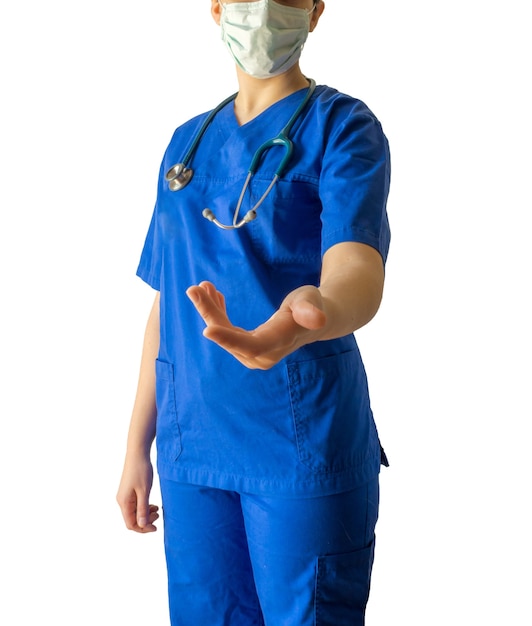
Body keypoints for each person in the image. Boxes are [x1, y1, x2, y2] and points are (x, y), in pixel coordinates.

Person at [116, 1, 391, 624]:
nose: (263, 9)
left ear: (316, 10)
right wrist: (138, 444)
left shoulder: (342, 128)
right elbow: (169, 300)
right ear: (216, 7)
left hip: (297, 446)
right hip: (193, 449)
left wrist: (315, 307)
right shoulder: (187, 143)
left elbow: (358, 270)